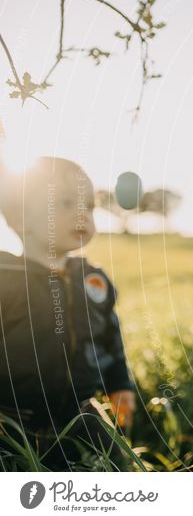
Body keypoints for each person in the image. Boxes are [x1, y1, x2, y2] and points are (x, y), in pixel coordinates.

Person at [0, 157, 136, 470]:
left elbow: (111, 337)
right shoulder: (6, 277)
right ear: (21, 219)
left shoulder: (92, 280)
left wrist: (120, 384)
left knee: (118, 467)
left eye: (89, 205)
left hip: (80, 410)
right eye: (64, 203)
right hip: (11, 415)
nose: (82, 215)